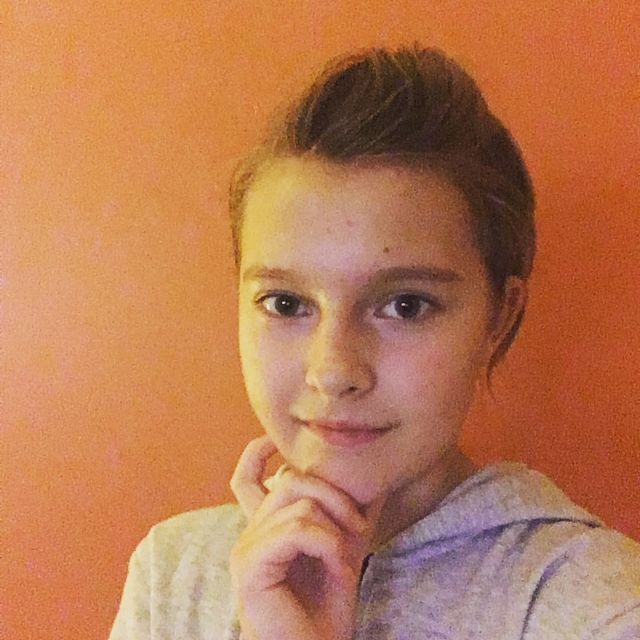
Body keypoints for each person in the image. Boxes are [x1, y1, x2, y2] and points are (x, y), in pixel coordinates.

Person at [109, 45, 640, 640]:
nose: (333, 370)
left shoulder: (595, 606)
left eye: (405, 306)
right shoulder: (172, 577)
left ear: (498, 318)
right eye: (285, 304)